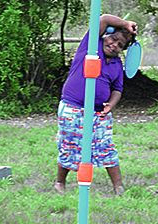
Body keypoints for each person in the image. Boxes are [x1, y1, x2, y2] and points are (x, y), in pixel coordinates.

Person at [53, 15, 139, 194]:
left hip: (99, 112)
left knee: (106, 146)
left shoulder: (116, 64)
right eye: (113, 39)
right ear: (105, 36)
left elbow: (117, 89)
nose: (115, 45)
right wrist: (125, 24)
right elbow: (103, 19)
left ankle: (118, 186)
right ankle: (60, 182)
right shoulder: (91, 47)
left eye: (120, 45)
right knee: (69, 144)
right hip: (72, 107)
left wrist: (110, 106)